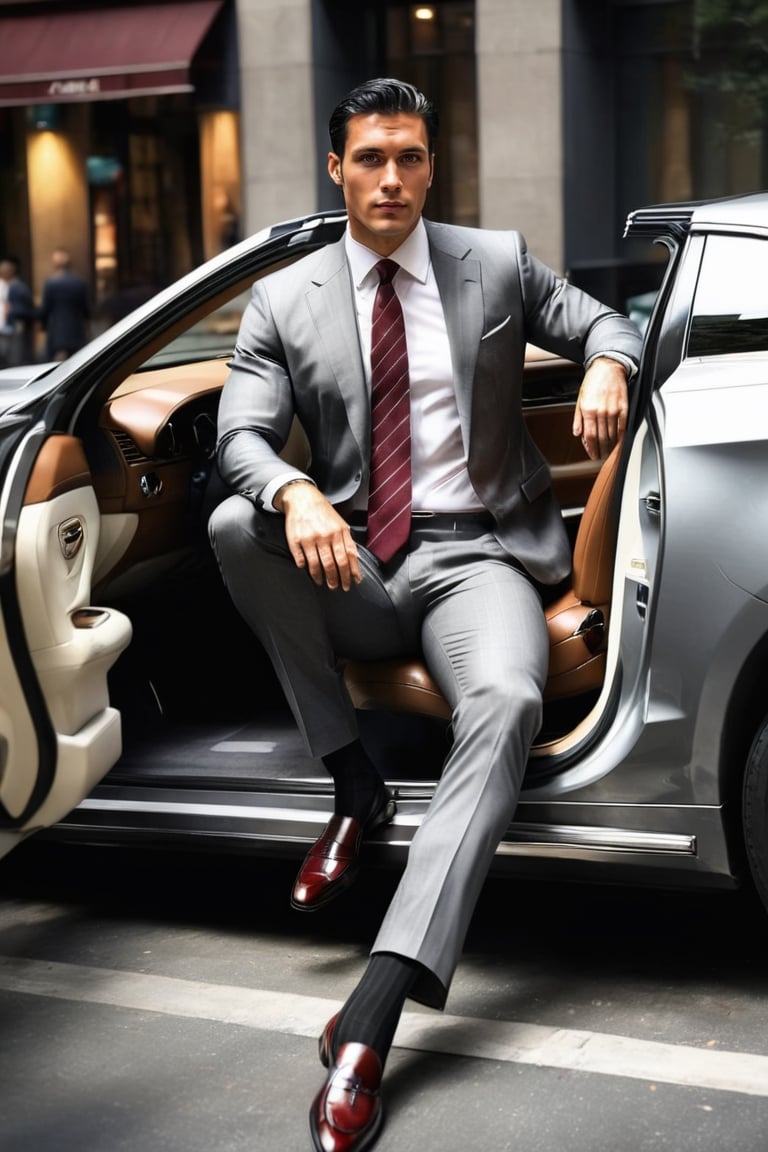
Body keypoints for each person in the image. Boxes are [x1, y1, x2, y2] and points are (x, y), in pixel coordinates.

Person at [209, 77, 643, 1152]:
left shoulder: (492, 260)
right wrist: (295, 491)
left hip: (478, 559)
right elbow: (240, 438)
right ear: (337, 169)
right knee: (229, 523)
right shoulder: (287, 297)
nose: (391, 178)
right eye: (370, 159)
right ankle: (354, 783)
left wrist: (606, 361)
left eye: (409, 157)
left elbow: (607, 317)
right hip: (352, 560)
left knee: (503, 697)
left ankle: (373, 1015)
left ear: (431, 165)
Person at [39, 247, 91, 361]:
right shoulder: (80, 282)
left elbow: (45, 309)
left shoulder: (51, 283)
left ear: (55, 264)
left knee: (58, 364)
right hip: (77, 328)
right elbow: (86, 309)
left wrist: (43, 325)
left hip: (58, 329)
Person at [0, 257, 38, 366]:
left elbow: (25, 309)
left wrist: (11, 313)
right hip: (8, 327)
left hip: (16, 326)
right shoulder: (8, 286)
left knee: (15, 357)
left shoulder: (17, 287)